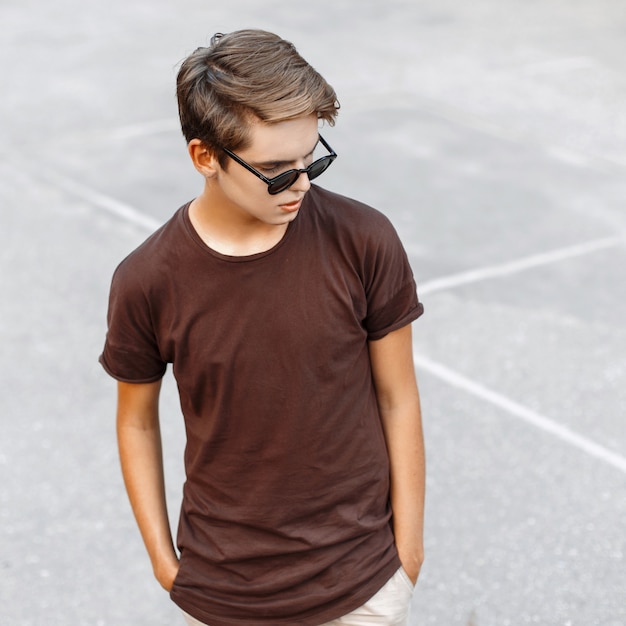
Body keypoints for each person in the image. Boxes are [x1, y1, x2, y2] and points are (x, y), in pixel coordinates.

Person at [99, 29, 425, 626]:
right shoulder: (147, 280)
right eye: (276, 170)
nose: (300, 183)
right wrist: (162, 560)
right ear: (205, 158)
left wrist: (407, 552)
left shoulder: (364, 240)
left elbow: (397, 397)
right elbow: (136, 421)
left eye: (312, 159)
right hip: (224, 590)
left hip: (363, 582)